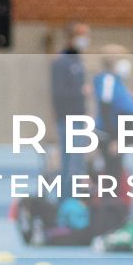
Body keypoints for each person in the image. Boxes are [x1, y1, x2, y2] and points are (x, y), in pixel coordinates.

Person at [89, 45, 133, 183]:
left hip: (120, 133)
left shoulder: (118, 81)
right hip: (110, 135)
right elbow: (106, 108)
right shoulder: (108, 80)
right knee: (112, 174)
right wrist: (114, 139)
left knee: (117, 173)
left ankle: (115, 202)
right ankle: (109, 203)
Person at [48, 22, 90, 175]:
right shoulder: (62, 61)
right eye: (83, 36)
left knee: (77, 162)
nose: (86, 39)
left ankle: (74, 196)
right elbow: (58, 92)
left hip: (79, 117)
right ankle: (67, 197)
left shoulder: (77, 60)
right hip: (67, 118)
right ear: (72, 37)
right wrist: (80, 92)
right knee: (70, 162)